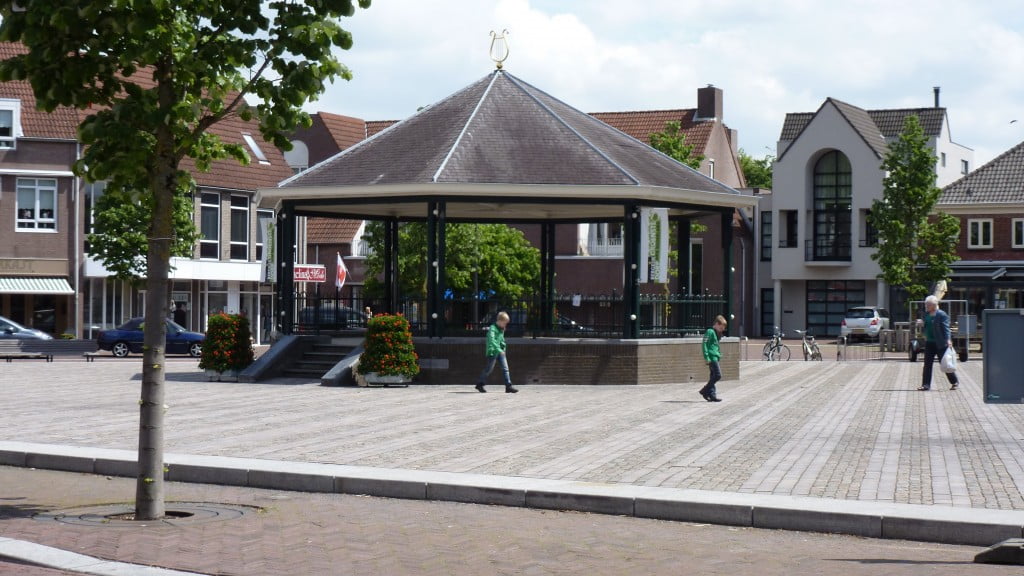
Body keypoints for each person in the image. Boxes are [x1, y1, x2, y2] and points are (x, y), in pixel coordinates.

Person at [918, 295, 959, 391]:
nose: (926, 306)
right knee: (927, 364)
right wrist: (922, 324)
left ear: (934, 305)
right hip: (929, 342)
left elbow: (946, 328)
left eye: (928, 305)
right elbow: (927, 325)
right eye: (926, 304)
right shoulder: (927, 314)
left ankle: (954, 381)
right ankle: (925, 385)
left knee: (945, 363)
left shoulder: (941, 314)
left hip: (940, 343)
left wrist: (948, 340)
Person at [475, 311, 518, 393]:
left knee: (505, 369)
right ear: (500, 321)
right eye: (504, 323)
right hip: (492, 352)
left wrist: (503, 347)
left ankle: (508, 386)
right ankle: (480, 383)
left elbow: (501, 340)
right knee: (489, 369)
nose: (505, 325)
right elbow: (492, 340)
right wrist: (499, 350)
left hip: (500, 351)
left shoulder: (502, 329)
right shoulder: (492, 328)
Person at [699, 315, 727, 402]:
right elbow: (704, 344)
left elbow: (715, 345)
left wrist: (718, 354)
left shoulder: (716, 334)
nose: (721, 330)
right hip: (711, 357)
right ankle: (704, 390)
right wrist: (706, 357)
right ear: (716, 324)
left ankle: (712, 395)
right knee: (718, 375)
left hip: (715, 356)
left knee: (713, 376)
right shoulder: (710, 331)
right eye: (721, 328)